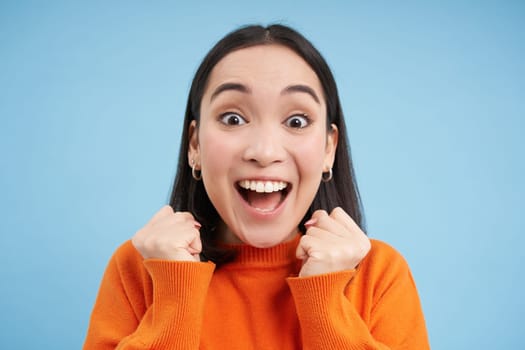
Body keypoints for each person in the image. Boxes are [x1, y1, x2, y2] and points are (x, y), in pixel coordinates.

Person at [83, 24, 430, 349]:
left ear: (329, 148)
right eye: (233, 119)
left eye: (296, 121)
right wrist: (176, 290)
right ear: (195, 145)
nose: (264, 152)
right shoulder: (139, 268)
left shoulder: (379, 274)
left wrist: (325, 299)